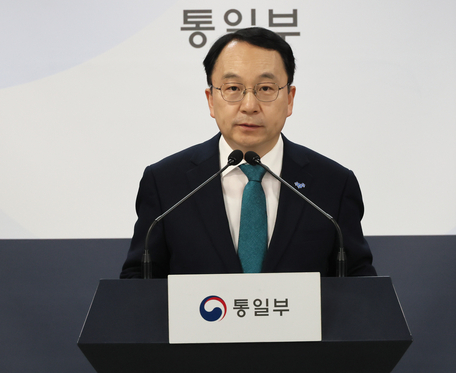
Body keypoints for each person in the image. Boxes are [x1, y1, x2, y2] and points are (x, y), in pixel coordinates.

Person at [120, 27, 376, 278]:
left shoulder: (333, 184)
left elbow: (359, 284)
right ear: (211, 99)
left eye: (265, 89)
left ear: (289, 99)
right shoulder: (166, 183)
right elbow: (138, 283)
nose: (249, 105)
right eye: (233, 88)